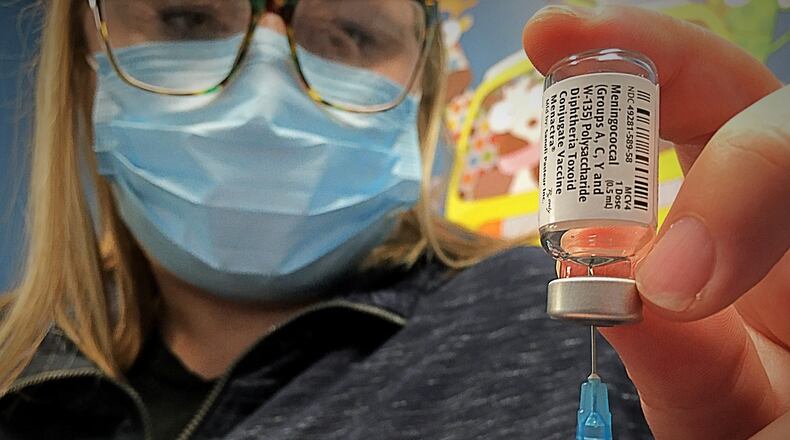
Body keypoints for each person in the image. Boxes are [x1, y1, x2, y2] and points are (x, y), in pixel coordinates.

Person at [0, 1, 788, 438]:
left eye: (349, 32)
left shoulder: (621, 357)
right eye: (186, 18)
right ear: (80, 66)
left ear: (425, 97)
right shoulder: (16, 373)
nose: (269, 92)